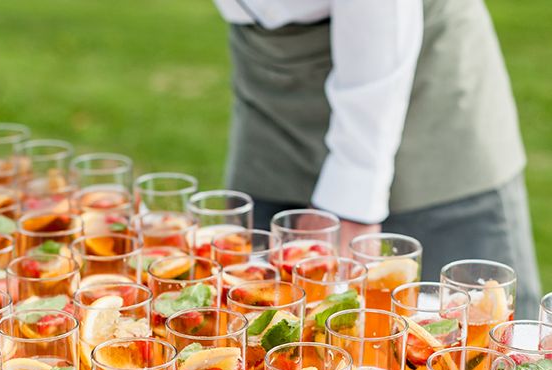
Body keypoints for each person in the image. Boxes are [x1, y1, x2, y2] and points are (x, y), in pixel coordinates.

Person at [213, 0, 541, 317]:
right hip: (269, 77)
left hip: (414, 77)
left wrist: (352, 192)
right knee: (247, 319)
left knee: (470, 338)